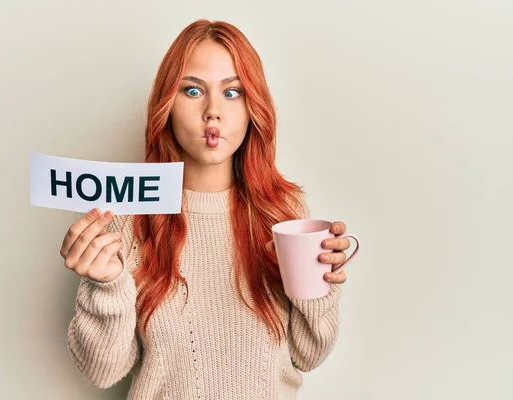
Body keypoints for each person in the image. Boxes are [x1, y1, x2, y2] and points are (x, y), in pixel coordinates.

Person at [60, 19, 354, 399]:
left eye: (233, 92)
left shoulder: (284, 213)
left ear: (254, 107)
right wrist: (104, 286)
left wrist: (318, 287)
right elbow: (103, 371)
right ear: (167, 103)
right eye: (193, 90)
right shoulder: (127, 217)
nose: (213, 111)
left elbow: (308, 354)